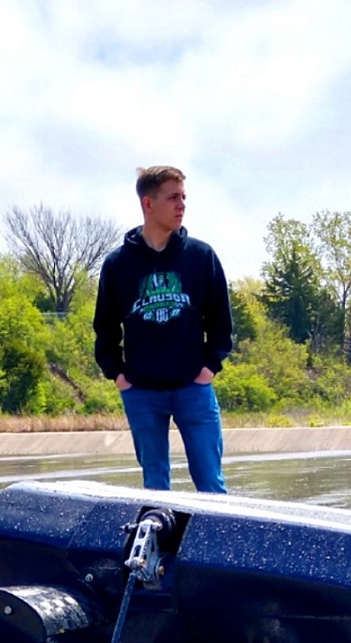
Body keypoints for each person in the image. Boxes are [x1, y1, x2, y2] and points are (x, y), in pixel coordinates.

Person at [93, 165, 234, 493]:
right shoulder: (118, 265)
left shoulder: (200, 256)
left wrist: (209, 367)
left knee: (211, 484)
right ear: (148, 203)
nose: (182, 205)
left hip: (193, 388)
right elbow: (105, 327)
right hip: (141, 392)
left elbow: (221, 321)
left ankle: (215, 544)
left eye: (184, 197)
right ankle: (160, 544)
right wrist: (118, 375)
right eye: (173, 198)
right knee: (155, 486)